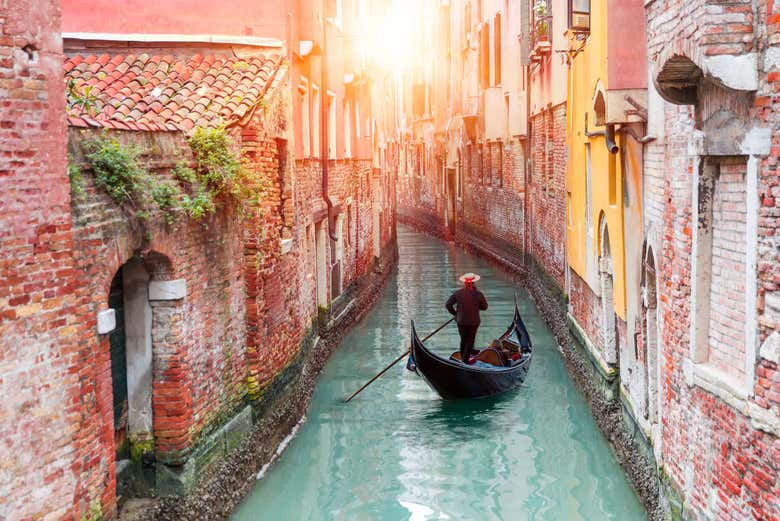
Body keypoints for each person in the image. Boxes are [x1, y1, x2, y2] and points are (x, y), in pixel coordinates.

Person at [445, 272, 488, 365]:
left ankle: (464, 358)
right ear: (473, 283)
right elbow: (485, 307)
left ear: (465, 283)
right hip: (474, 321)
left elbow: (448, 305)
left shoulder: (458, 293)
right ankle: (465, 361)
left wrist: (455, 314)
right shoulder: (478, 294)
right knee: (470, 340)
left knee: (463, 340)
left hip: (461, 320)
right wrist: (476, 306)